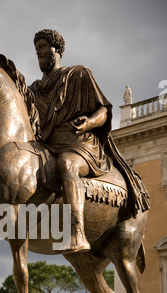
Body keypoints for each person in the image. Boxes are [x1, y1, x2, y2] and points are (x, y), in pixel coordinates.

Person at [29, 29, 149, 253]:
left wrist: (89, 123)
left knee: (67, 164)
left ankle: (77, 232)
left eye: (43, 46)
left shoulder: (78, 74)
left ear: (57, 49)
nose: (39, 52)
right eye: (37, 48)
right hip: (48, 144)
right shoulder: (34, 89)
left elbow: (103, 109)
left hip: (80, 143)